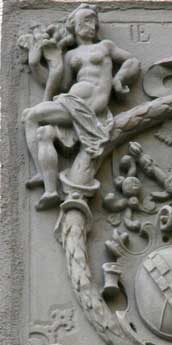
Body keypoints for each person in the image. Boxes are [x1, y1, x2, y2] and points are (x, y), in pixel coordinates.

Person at [22, 4, 140, 210]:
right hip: (71, 104)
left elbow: (132, 61)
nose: (91, 25)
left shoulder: (105, 46)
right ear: (73, 25)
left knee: (31, 115)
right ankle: (50, 190)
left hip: (89, 106)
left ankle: (41, 173)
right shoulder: (70, 55)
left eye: (94, 21)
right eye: (86, 20)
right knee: (43, 132)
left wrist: (119, 79)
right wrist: (35, 65)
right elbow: (58, 84)